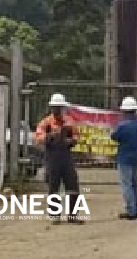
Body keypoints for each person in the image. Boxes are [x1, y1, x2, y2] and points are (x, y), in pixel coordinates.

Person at [35, 93, 84, 225]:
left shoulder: (69, 122)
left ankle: (72, 215)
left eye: (60, 107)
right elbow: (39, 137)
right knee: (53, 187)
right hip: (52, 158)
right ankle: (54, 215)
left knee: (73, 185)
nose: (57, 110)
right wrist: (49, 137)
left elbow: (77, 136)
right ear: (51, 108)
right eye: (55, 108)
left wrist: (72, 141)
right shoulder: (46, 123)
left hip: (66, 157)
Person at [111, 96, 137, 220]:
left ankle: (131, 210)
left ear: (124, 111)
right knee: (135, 184)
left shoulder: (122, 125)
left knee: (127, 185)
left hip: (124, 158)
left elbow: (114, 136)